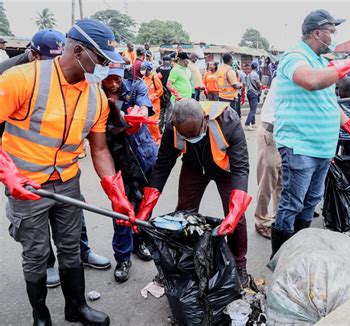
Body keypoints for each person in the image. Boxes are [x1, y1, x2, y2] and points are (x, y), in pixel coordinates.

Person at [0, 19, 135, 325]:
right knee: (36, 255)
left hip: (67, 182)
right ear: (77, 50)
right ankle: (41, 315)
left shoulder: (96, 97)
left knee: (71, 247)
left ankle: (76, 308)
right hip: (27, 185)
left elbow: (100, 150)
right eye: (100, 59)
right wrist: (8, 174)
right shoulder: (22, 79)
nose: (105, 68)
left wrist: (117, 195)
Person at [271, 9, 350, 257]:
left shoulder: (320, 62)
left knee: (310, 203)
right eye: (331, 31)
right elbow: (311, 81)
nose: (334, 36)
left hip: (322, 149)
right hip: (300, 147)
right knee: (292, 203)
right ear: (317, 33)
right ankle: (280, 257)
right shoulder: (295, 56)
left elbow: (331, 107)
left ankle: (299, 251)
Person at [125, 98, 252, 286]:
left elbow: (241, 168)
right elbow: (162, 166)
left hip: (226, 169)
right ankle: (182, 262)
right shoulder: (172, 127)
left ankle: (239, 263)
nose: (191, 138)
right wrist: (146, 208)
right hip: (193, 167)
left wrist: (234, 212)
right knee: (183, 213)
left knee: (236, 217)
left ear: (204, 119)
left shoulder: (228, 120)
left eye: (195, 133)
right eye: (186, 136)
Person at [101, 63, 156, 282]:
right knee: (121, 211)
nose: (114, 84)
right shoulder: (94, 95)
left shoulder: (136, 87)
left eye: (117, 79)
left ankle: (139, 240)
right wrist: (117, 119)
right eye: (109, 80)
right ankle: (123, 257)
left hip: (144, 155)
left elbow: (145, 106)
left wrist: (139, 112)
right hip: (117, 160)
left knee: (145, 204)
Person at [255, 85, 281, 239]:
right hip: (271, 134)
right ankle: (262, 222)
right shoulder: (288, 78)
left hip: (285, 136)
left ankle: (278, 220)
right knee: (267, 183)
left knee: (282, 183)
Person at [141, 60, 164, 144]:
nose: (142, 70)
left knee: (153, 122)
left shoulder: (154, 78)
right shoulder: (143, 78)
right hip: (146, 104)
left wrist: (153, 96)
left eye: (143, 68)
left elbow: (160, 91)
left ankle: (157, 138)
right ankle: (152, 137)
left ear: (148, 69)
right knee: (147, 122)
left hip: (155, 104)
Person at [156, 55, 173, 130]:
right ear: (170, 60)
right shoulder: (172, 68)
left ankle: (159, 128)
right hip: (170, 91)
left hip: (161, 92)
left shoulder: (159, 68)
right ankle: (167, 128)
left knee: (161, 110)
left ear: (163, 60)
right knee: (169, 110)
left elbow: (157, 79)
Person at [244, 62, 262, 130]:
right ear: (257, 67)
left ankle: (253, 123)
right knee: (253, 110)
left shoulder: (249, 74)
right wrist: (260, 86)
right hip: (254, 93)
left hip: (248, 92)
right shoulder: (256, 75)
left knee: (252, 109)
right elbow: (258, 84)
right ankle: (247, 124)